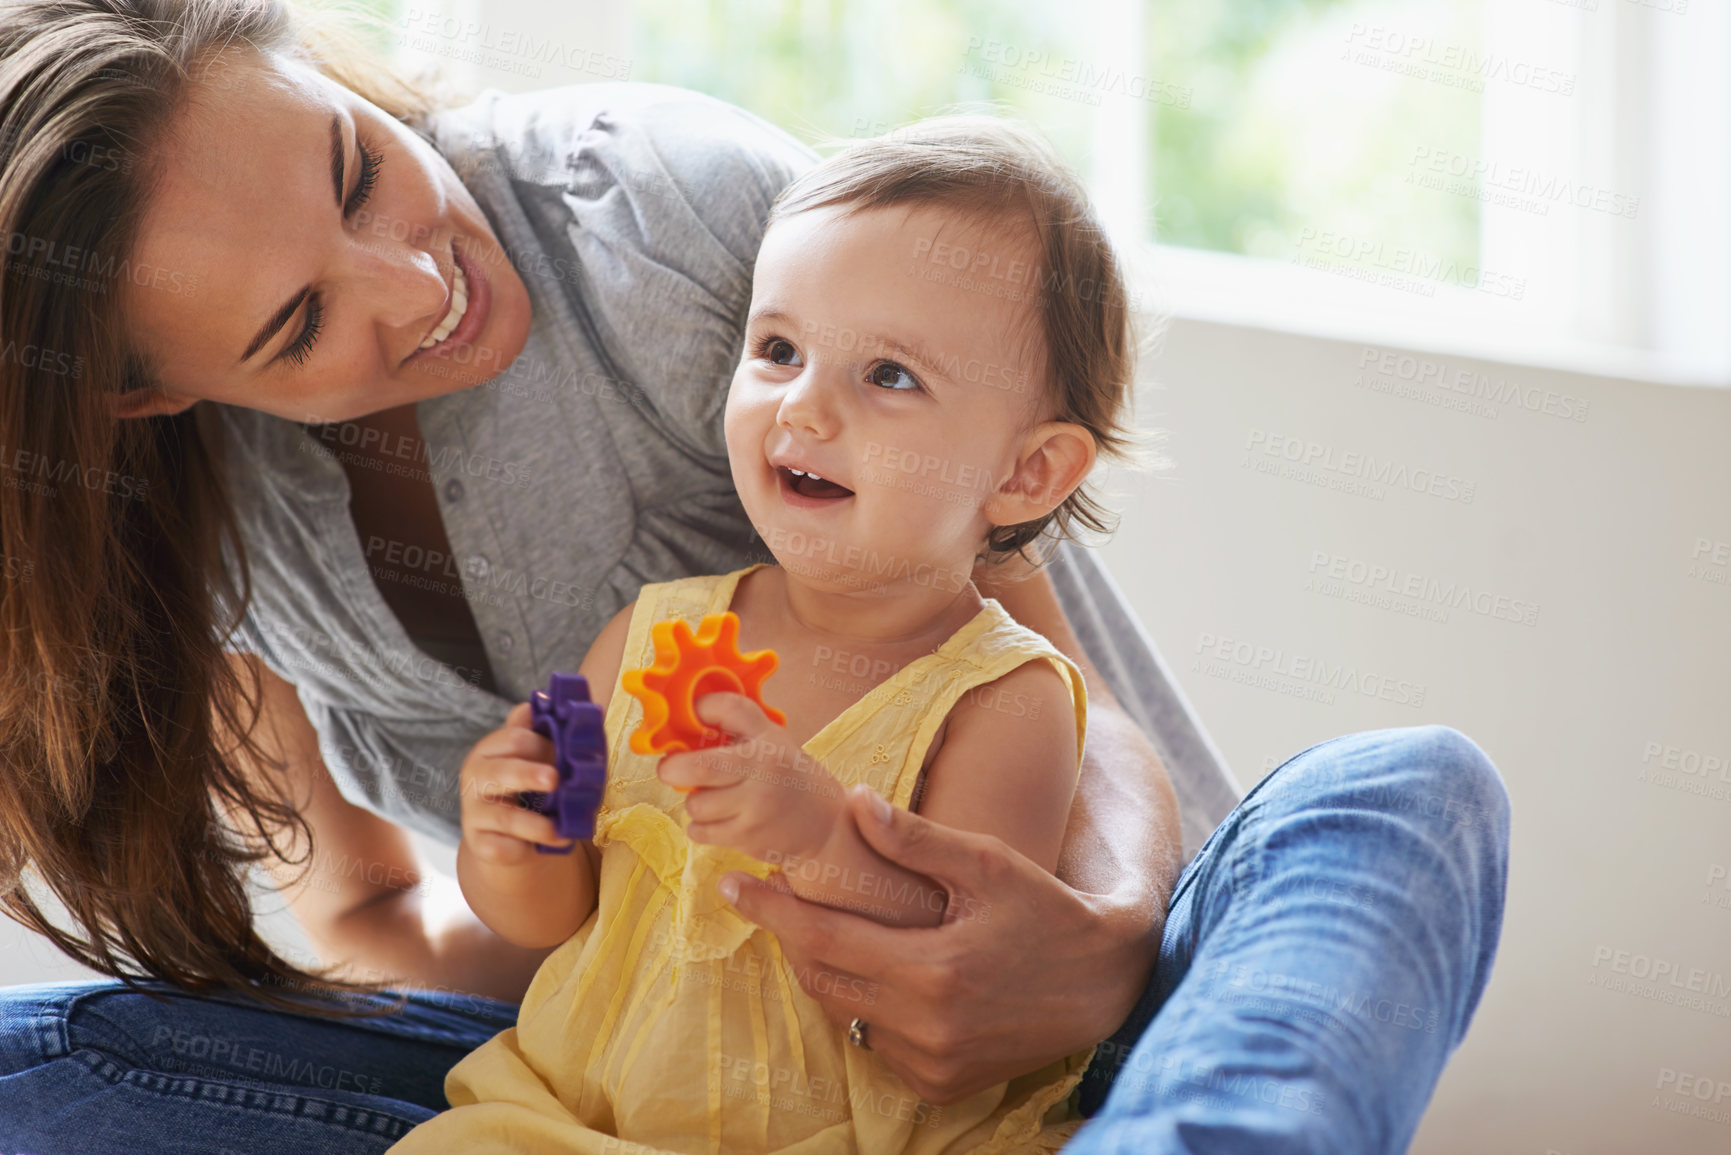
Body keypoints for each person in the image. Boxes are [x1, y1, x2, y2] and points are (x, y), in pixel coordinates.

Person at [0, 1, 1510, 1152]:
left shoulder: (660, 221)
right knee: (39, 1063)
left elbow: (1048, 684)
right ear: (144, 395)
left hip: (1073, 1014)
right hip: (610, 1072)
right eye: (293, 324)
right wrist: (552, 883)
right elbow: (381, 912)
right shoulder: (195, 534)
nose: (414, 279)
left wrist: (1095, 941)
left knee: (1401, 797)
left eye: (355, 168)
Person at [391, 116, 1135, 1154]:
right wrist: (511, 842)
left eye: (889, 376)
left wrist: (822, 841)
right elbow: (552, 919)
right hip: (579, 1118)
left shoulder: (1002, 700)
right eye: (779, 349)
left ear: (1025, 474)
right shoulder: (652, 636)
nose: (806, 406)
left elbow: (957, 960)